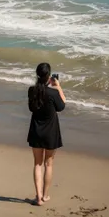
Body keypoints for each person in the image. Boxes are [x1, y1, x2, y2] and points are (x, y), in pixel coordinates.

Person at [27, 62, 66, 206]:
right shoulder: (53, 93)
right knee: (48, 164)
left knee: (37, 164)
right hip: (51, 132)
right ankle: (45, 195)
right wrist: (58, 86)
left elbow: (32, 108)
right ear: (49, 76)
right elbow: (62, 106)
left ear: (37, 75)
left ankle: (38, 197)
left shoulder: (32, 91)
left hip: (36, 130)